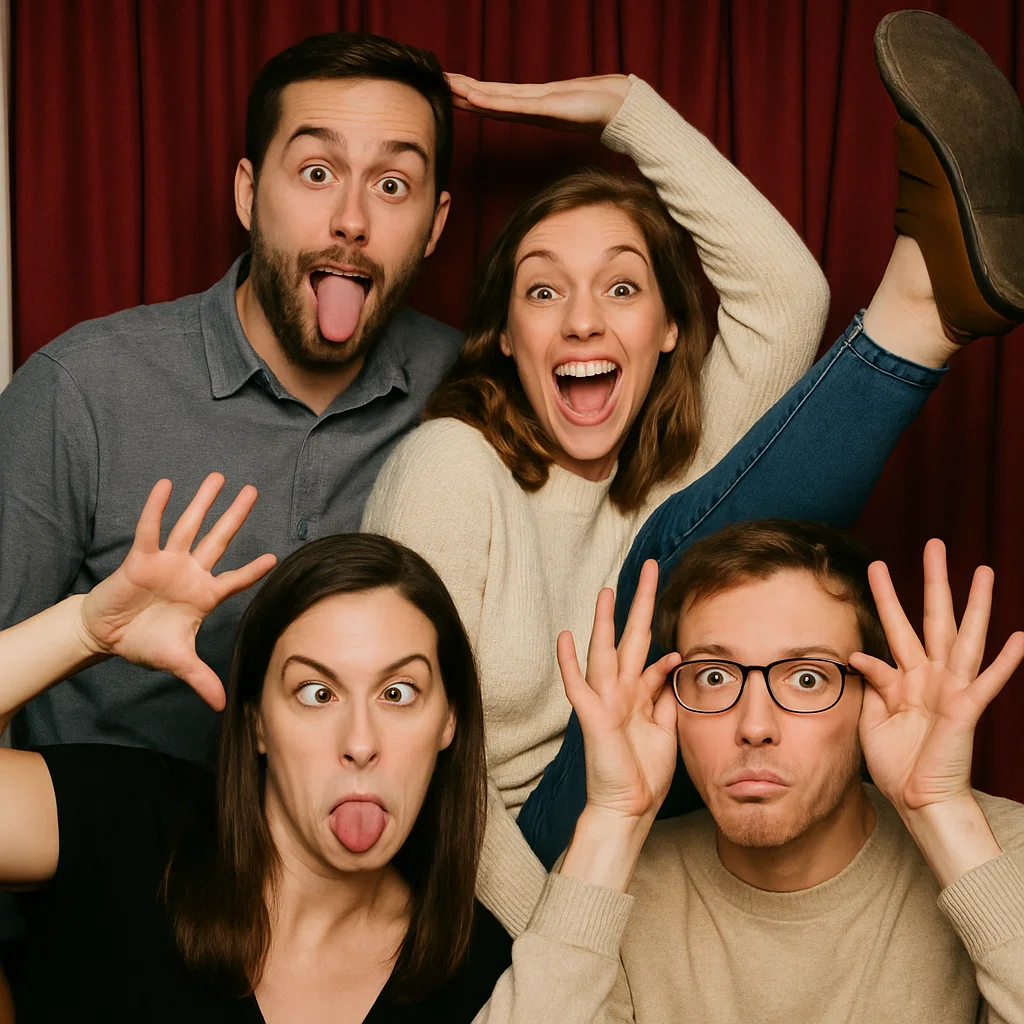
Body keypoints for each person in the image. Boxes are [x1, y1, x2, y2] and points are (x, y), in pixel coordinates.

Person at [363, 11, 1024, 882]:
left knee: (717, 587)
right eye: (544, 291)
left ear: (672, 327)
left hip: (655, 804)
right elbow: (413, 757)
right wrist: (544, 938)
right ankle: (922, 316)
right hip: (499, 863)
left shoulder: (684, 462)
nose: (585, 319)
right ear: (506, 339)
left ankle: (925, 313)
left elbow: (786, 296)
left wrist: (629, 110)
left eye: (623, 287)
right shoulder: (450, 469)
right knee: (670, 580)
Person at [0, 474, 681, 1022]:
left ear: (450, 724)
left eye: (400, 694)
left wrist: (618, 815)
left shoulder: (470, 969)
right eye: (316, 694)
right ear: (258, 721)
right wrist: (85, 631)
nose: (360, 743)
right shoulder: (132, 824)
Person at [0, 32, 463, 765]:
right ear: (248, 194)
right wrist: (90, 631)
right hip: (108, 851)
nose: (351, 219)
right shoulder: (81, 389)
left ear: (434, 225)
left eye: (391, 185)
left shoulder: (470, 390)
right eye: (316, 172)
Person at [491, 518, 1024, 1021]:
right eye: (716, 676)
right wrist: (613, 818)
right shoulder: (607, 881)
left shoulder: (999, 854)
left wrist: (940, 812)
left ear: (872, 701)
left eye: (808, 678)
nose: (755, 725)